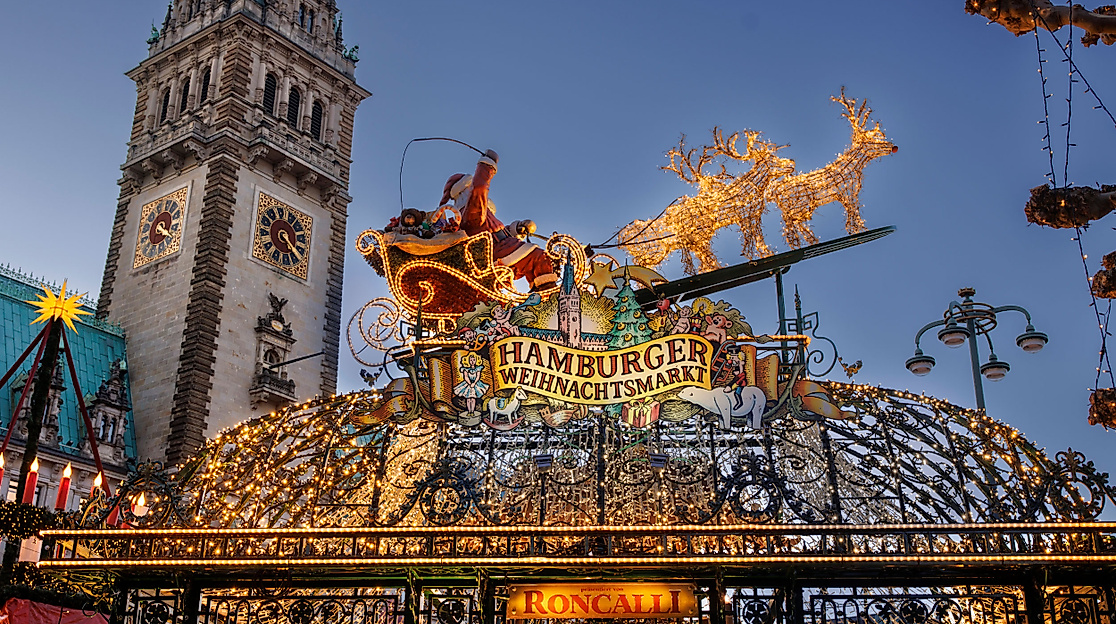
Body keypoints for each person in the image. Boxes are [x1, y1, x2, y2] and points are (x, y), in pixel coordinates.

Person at [441, 150, 559, 292]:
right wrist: (486, 165)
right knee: (539, 257)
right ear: (466, 191)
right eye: (469, 187)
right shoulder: (471, 212)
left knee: (535, 262)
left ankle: (538, 296)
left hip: (504, 247)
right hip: (498, 252)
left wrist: (516, 229)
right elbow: (479, 188)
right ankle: (548, 297)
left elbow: (496, 231)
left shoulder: (483, 214)